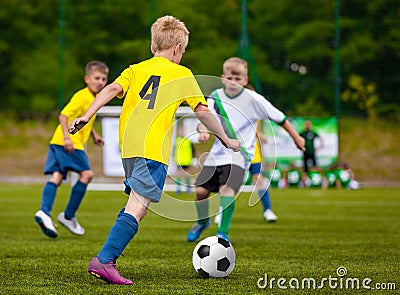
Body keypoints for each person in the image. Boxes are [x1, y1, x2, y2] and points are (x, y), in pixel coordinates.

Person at [68, 16, 240, 285]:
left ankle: (108, 257)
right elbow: (202, 111)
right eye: (183, 51)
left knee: (136, 204)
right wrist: (226, 139)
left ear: (153, 47)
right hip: (152, 149)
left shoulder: (135, 69)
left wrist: (88, 115)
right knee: (139, 206)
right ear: (177, 47)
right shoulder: (182, 74)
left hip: (129, 147)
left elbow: (112, 89)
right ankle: (105, 260)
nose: (182, 55)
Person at [186, 57, 305, 243]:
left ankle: (222, 233)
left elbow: (280, 118)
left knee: (226, 190)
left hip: (240, 157)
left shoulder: (254, 100)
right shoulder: (215, 96)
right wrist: (203, 132)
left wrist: (297, 137)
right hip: (216, 156)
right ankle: (202, 222)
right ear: (222, 77)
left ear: (245, 80)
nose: (234, 82)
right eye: (230, 77)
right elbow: (205, 119)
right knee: (200, 192)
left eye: (238, 78)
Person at [34, 61, 108, 238]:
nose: (101, 82)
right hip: (69, 142)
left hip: (57, 141)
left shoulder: (92, 98)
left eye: (104, 78)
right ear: (87, 79)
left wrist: (94, 135)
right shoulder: (82, 96)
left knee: (57, 177)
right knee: (87, 174)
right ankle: (68, 216)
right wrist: (67, 137)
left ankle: (44, 211)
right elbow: (64, 115)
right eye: (97, 78)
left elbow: (81, 120)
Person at [173, 123, 195, 194]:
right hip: (179, 161)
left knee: (187, 175)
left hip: (187, 160)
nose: (181, 132)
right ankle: (178, 188)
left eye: (182, 130)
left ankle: (188, 188)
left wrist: (193, 159)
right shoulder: (176, 140)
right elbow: (174, 150)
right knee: (179, 175)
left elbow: (193, 150)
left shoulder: (188, 140)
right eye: (180, 130)